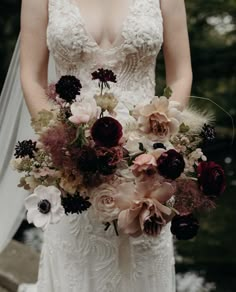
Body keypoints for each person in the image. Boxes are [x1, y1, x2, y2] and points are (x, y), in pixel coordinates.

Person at [2, 0, 192, 291]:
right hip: (74, 169)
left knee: (140, 267)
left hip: (146, 171)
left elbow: (181, 74)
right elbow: (31, 76)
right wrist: (65, 146)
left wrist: (156, 142)